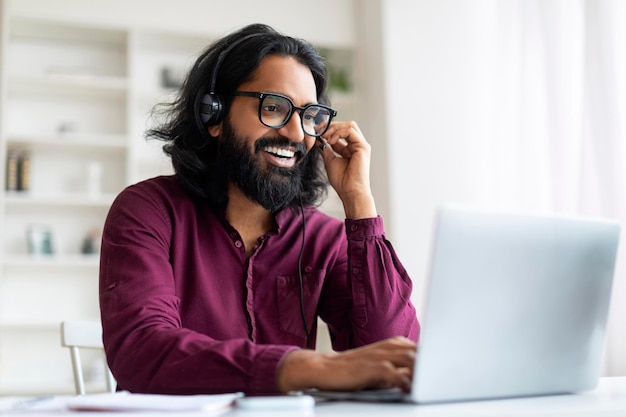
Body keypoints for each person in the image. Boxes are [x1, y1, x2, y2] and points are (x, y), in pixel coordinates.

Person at [99, 23, 419, 395]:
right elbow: (143, 353)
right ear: (214, 115)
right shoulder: (148, 212)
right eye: (273, 107)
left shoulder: (323, 239)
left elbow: (394, 359)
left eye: (309, 116)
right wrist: (302, 366)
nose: (297, 134)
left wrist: (360, 201)